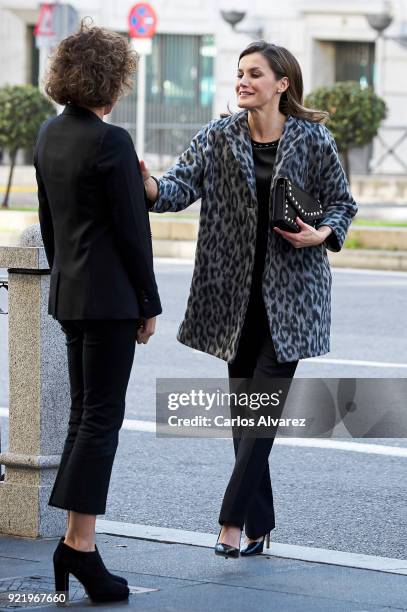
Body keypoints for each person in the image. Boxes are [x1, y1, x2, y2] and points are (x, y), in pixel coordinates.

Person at [142, 41, 357, 557]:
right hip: (231, 303)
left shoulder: (312, 139)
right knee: (246, 419)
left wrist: (321, 234)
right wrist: (146, 184)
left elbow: (342, 204)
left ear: (281, 84)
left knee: (261, 418)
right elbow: (176, 189)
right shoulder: (219, 135)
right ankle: (261, 523)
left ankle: (231, 523)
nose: (242, 81)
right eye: (239, 72)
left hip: (292, 302)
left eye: (254, 73)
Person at [35, 22, 161, 601]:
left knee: (83, 417)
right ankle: (80, 549)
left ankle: (73, 541)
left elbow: (50, 227)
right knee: (100, 421)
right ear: (111, 80)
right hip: (110, 300)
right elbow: (133, 235)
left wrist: (64, 281)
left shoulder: (47, 135)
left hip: (70, 296)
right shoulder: (112, 142)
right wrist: (147, 303)